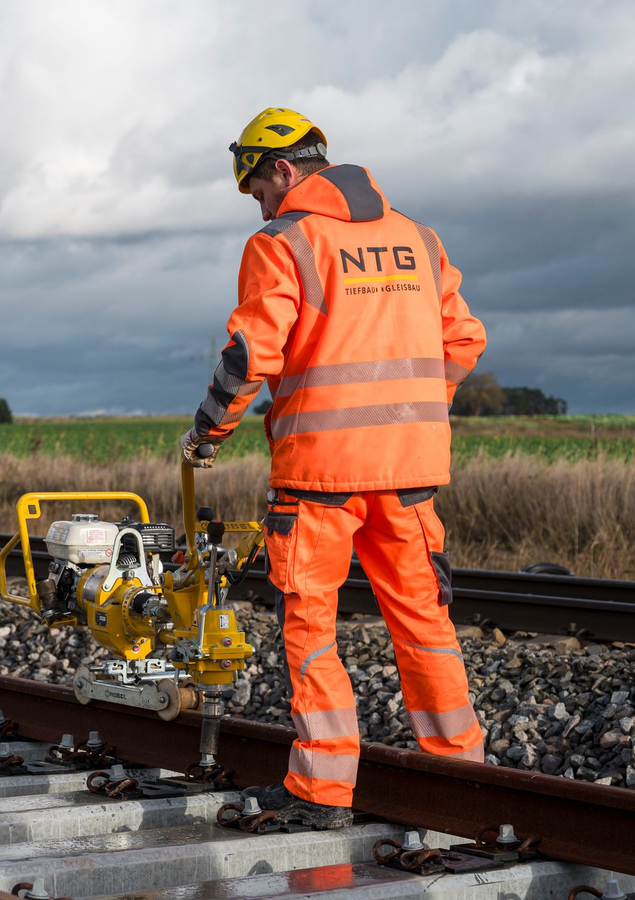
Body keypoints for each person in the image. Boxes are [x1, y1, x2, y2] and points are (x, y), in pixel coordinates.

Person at [180, 108, 487, 829]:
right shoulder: (419, 238)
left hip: (318, 477)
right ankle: (464, 780)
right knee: (424, 623)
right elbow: (464, 341)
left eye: (260, 190)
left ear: (284, 169)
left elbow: (251, 355)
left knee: (311, 625)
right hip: (410, 473)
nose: (261, 207)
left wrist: (207, 433)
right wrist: (412, 413)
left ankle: (322, 791)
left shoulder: (283, 242)